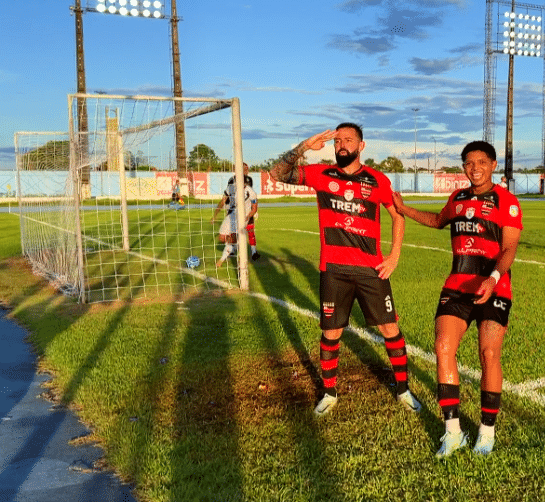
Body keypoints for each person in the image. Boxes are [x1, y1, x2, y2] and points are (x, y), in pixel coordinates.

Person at [268, 123, 421, 416]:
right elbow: (277, 174)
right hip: (334, 269)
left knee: (390, 328)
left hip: (371, 269)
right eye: (338, 140)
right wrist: (304, 146)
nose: (342, 144)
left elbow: (397, 214)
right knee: (331, 332)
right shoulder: (322, 175)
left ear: (361, 146)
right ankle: (329, 392)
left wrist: (394, 255)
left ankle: (403, 389)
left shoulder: (377, 180)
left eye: (348, 140)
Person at [392, 141, 523, 458]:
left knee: (489, 352)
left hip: (494, 287)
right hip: (457, 285)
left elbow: (509, 249)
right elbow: (439, 220)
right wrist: (404, 208)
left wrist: (492, 280)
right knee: (443, 347)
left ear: (493, 165)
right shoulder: (458, 198)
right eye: (468, 163)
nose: (474, 167)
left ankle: (486, 432)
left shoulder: (507, 202)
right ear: (463, 167)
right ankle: (453, 432)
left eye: (481, 161)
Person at [211, 163, 259, 267]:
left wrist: (252, 214)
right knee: (222, 238)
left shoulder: (250, 189)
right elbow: (224, 200)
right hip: (232, 213)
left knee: (243, 233)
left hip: (244, 215)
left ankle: (226, 256)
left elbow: (254, 205)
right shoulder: (231, 184)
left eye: (247, 169)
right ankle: (233, 247)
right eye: (244, 169)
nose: (246, 170)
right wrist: (216, 214)